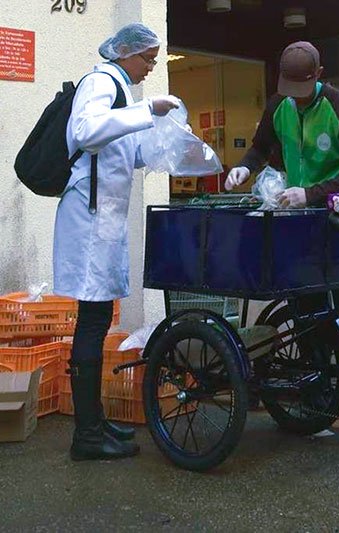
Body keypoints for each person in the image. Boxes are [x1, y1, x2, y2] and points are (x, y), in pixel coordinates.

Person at [225, 41, 339, 442]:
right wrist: (243, 169)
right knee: (306, 309)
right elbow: (261, 147)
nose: (295, 99)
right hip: (296, 224)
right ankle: (319, 393)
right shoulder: (279, 106)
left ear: (318, 75)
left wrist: (312, 194)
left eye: (302, 89)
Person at [53, 23, 180, 461]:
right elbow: (87, 131)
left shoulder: (120, 90)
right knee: (91, 322)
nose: (152, 66)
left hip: (100, 223)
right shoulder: (100, 81)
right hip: (88, 224)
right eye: (147, 58)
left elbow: (121, 150)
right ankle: (86, 436)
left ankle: (96, 421)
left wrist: (169, 146)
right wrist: (148, 111)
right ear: (124, 53)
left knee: (98, 317)